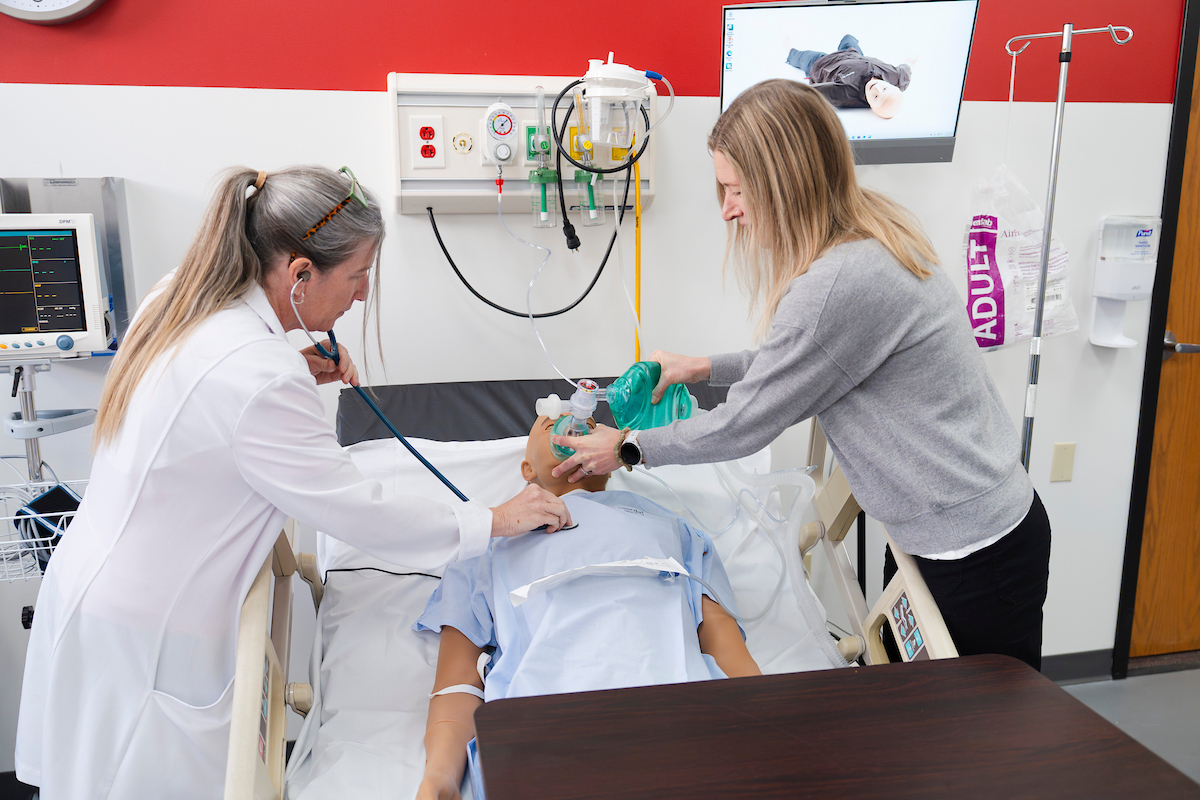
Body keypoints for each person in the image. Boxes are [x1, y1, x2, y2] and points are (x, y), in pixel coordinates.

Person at [15, 166, 571, 800]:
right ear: (301, 273)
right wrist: (493, 519)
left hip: (96, 592)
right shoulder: (259, 375)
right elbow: (361, 511)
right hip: (151, 641)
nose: (362, 296)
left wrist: (293, 374)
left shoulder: (183, 296)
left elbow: (206, 420)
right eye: (359, 275)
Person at [550, 80, 1053, 672]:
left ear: (783, 184)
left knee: (984, 742)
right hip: (951, 529)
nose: (727, 209)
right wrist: (702, 367)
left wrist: (629, 449)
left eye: (736, 190)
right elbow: (816, 361)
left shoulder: (837, 284)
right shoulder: (868, 231)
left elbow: (744, 424)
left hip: (973, 551)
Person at [414, 414, 759, 800]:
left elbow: (723, 642)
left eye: (590, 427)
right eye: (549, 426)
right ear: (527, 469)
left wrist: (771, 733)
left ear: (610, 461)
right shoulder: (484, 544)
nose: (573, 422)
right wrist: (440, 777)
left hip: (677, 715)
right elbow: (457, 681)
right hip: (545, 726)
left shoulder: (672, 527)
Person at [785, 34, 914, 119]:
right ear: (892, 85)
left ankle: (789, 49)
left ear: (871, 106)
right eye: (885, 89)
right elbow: (906, 70)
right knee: (848, 37)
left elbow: (810, 93)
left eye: (875, 97)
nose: (877, 89)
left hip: (822, 62)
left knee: (799, 57)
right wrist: (910, 62)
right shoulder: (898, 77)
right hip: (851, 52)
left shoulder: (845, 93)